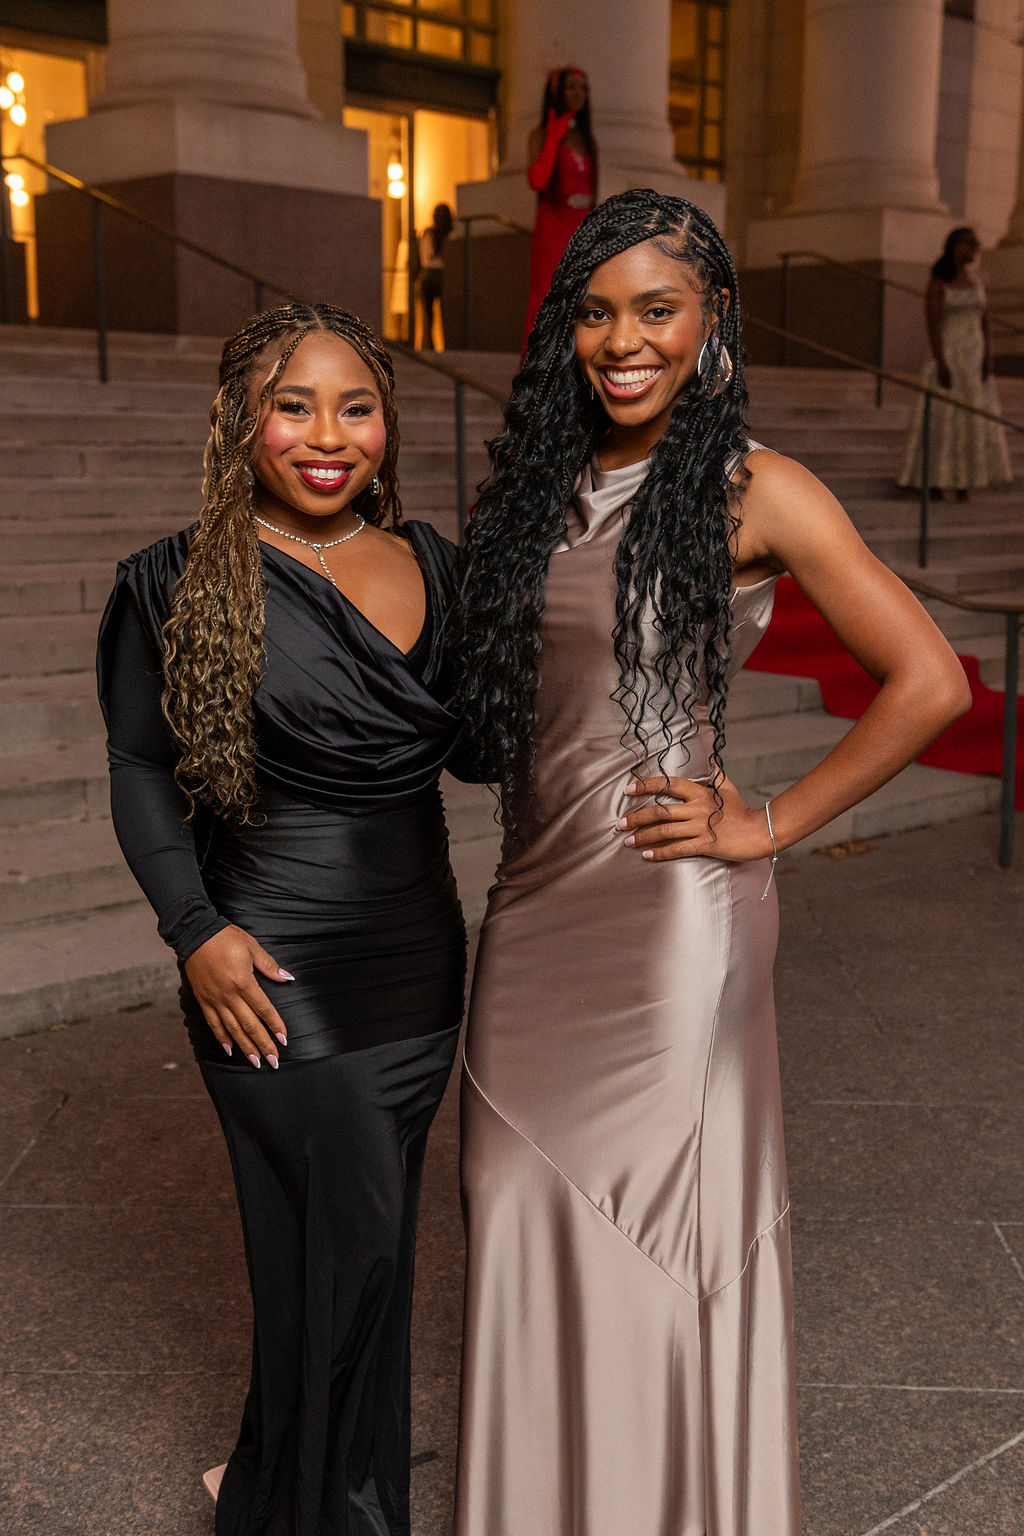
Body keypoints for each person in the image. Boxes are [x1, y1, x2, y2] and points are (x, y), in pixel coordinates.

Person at [449, 190, 971, 1535]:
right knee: (516, 1211)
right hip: (531, 914)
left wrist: (775, 822)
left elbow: (929, 683)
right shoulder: (531, 493)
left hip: (672, 922)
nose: (624, 341)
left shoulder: (757, 489)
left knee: (668, 1254)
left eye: (658, 310)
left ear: (713, 322)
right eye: (598, 312)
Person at [97, 302, 468, 1536]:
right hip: (269, 962)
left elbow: (475, 753)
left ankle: (274, 1488)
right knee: (344, 1261)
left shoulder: (433, 559)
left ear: (387, 422)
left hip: (419, 962)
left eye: (355, 405)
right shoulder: (170, 579)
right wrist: (192, 929)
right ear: (238, 421)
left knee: (356, 1261)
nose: (327, 435)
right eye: (292, 404)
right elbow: (142, 770)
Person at [897, 225, 1013, 499]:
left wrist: (988, 356)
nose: (972, 248)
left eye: (975, 243)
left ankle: (964, 481)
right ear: (953, 246)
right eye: (967, 243)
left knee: (970, 420)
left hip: (974, 360)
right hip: (950, 355)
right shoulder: (938, 282)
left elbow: (983, 319)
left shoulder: (976, 279)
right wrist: (940, 361)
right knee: (943, 420)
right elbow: (932, 324)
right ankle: (934, 481)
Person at [522, 66, 597, 349]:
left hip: (582, 228)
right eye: (571, 87)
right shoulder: (541, 134)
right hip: (554, 225)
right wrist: (554, 135)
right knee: (549, 296)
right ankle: (539, 377)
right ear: (556, 92)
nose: (579, 93)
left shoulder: (588, 141)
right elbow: (538, 180)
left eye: (583, 87)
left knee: (583, 300)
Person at [417, 201, 453, 350]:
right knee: (447, 315)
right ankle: (448, 346)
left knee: (428, 317)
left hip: (430, 276)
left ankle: (428, 346)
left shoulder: (429, 233)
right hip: (446, 275)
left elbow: (425, 258)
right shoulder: (451, 234)